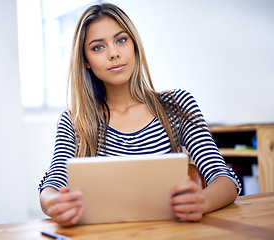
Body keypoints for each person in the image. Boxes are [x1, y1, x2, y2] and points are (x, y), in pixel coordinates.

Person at [39, 3, 241, 227]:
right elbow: (51, 187)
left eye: (121, 40)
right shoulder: (75, 121)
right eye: (98, 47)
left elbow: (225, 179)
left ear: (134, 44)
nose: (114, 53)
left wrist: (200, 202)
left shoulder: (176, 105)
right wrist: (56, 203)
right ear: (85, 60)